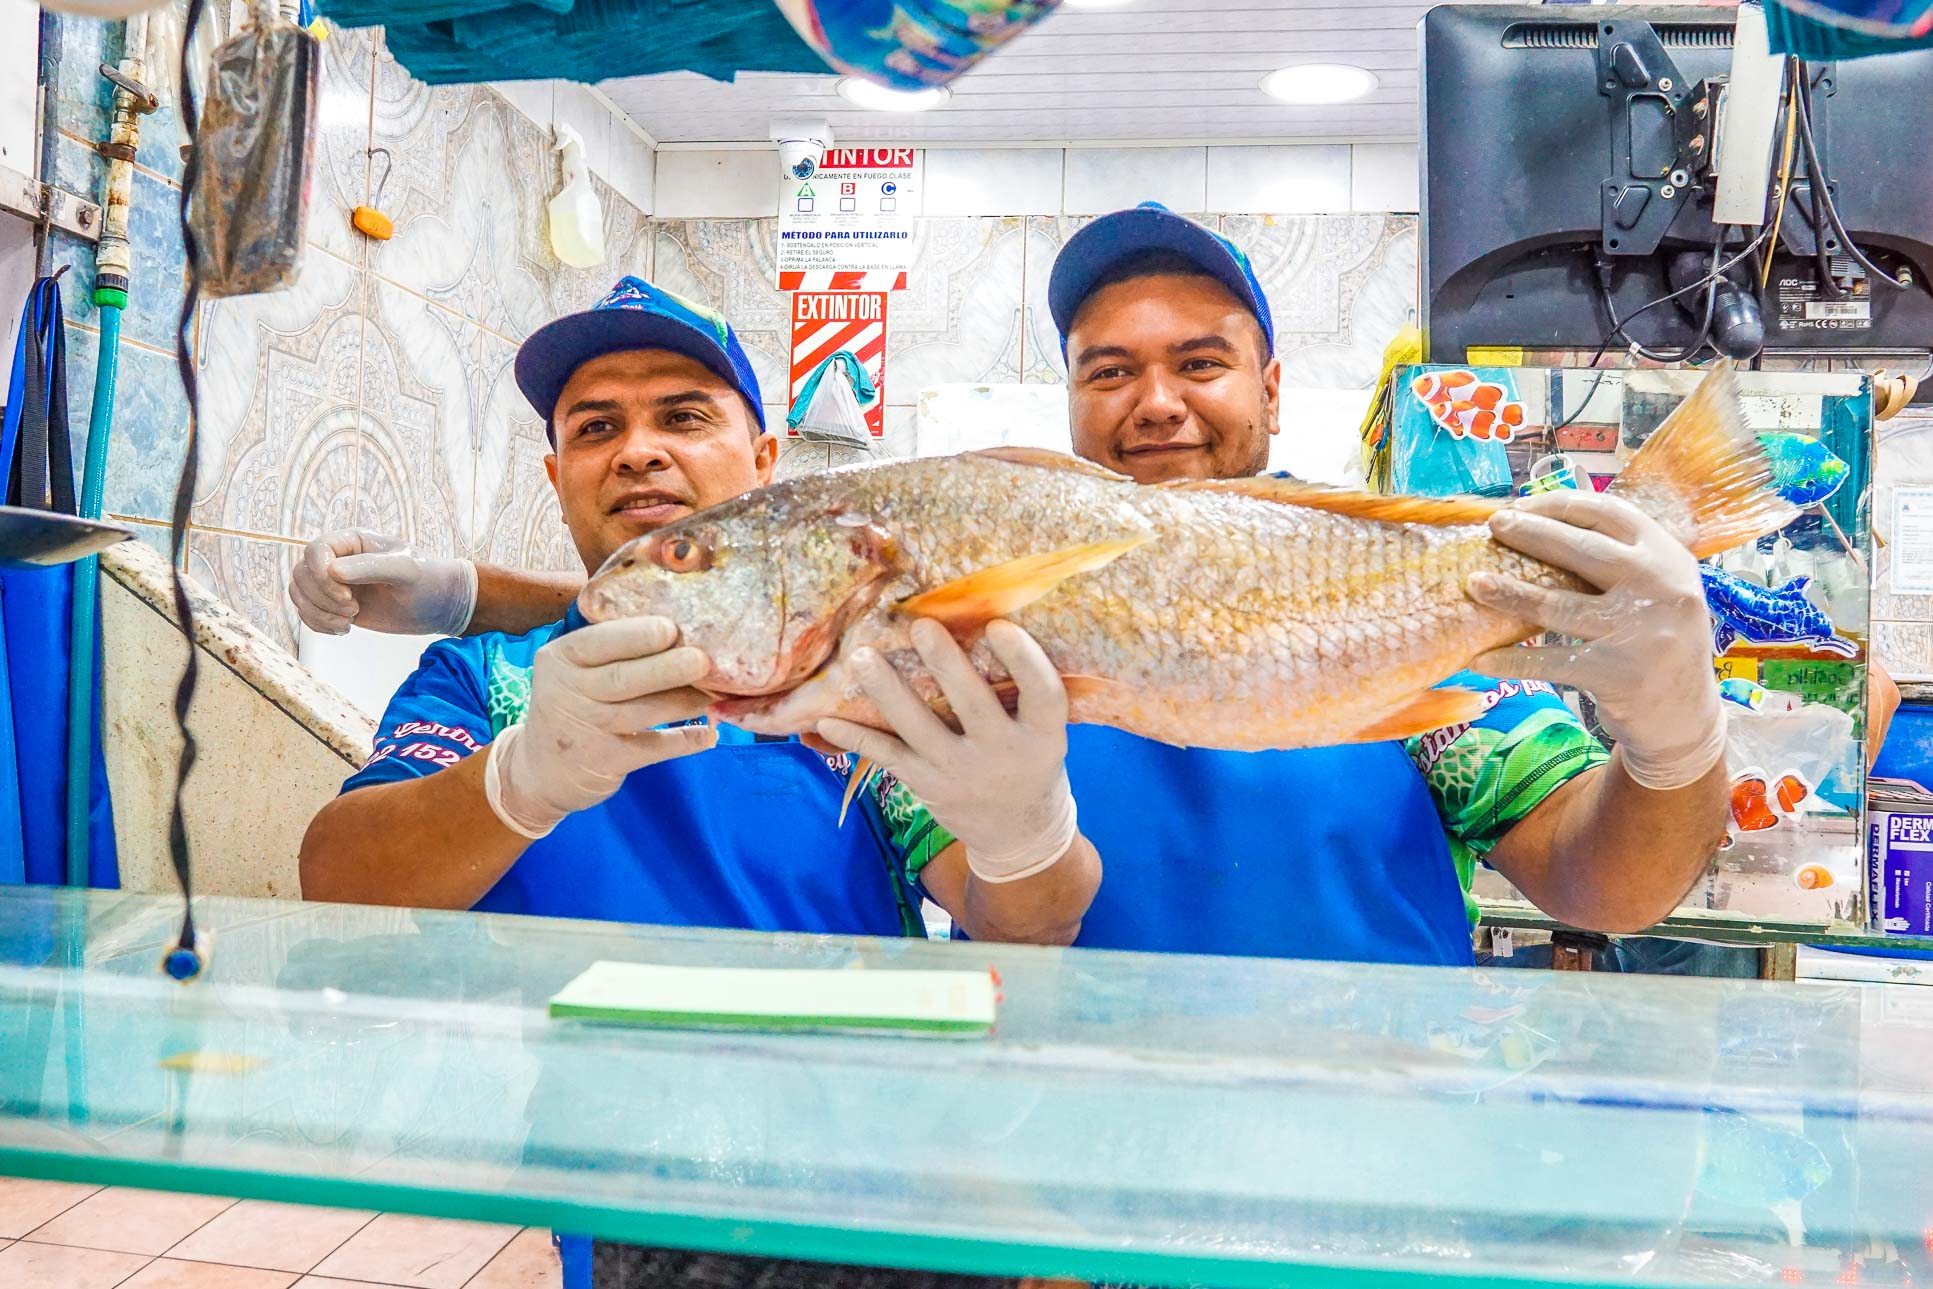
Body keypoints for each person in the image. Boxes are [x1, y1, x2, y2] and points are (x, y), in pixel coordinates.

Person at [293, 209, 1795, 965]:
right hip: (1054, 1179)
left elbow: (1604, 884)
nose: (1154, 404)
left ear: (1271, 388)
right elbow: (999, 905)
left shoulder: (1406, 664)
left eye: (1199, 364)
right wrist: (497, 703)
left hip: (1377, 1153)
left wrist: (1674, 734)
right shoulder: (921, 676)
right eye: (1108, 371)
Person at [297, 277, 1100, 1289]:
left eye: (683, 415)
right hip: (635, 1198)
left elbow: (1020, 921)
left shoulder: (856, 678)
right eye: (597, 427)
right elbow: (337, 879)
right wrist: (521, 778)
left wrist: (1020, 828)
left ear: (765, 462)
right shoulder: (489, 680)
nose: (638, 448)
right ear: (556, 474)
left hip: (895, 1181)